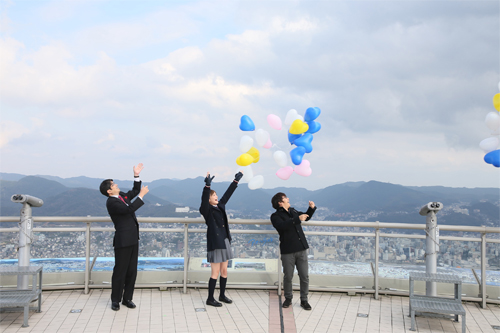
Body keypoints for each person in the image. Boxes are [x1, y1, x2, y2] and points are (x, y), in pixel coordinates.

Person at [99, 163, 149, 311]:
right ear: (109, 191)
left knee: (132, 270)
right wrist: (142, 196)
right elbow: (130, 209)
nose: (116, 185)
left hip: (133, 238)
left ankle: (128, 299)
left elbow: (134, 191)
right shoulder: (112, 203)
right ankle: (115, 300)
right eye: (113, 184)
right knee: (120, 270)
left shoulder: (120, 196)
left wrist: (136, 175)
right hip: (123, 240)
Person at [199, 171, 243, 307]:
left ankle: (222, 295)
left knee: (224, 271)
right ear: (208, 199)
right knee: (215, 272)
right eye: (213, 195)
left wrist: (235, 181)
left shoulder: (220, 206)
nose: (216, 197)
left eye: (216, 195)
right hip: (216, 243)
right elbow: (204, 200)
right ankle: (210, 298)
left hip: (224, 241)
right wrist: (207, 187)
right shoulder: (206, 210)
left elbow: (227, 195)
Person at [271, 192, 316, 310]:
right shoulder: (275, 216)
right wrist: (297, 219)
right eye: (285, 198)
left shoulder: (293, 211)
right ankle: (288, 298)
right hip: (287, 250)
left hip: (301, 248)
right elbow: (281, 226)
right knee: (288, 277)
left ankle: (304, 300)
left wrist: (311, 209)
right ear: (280, 203)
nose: (288, 199)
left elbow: (306, 217)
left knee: (304, 276)